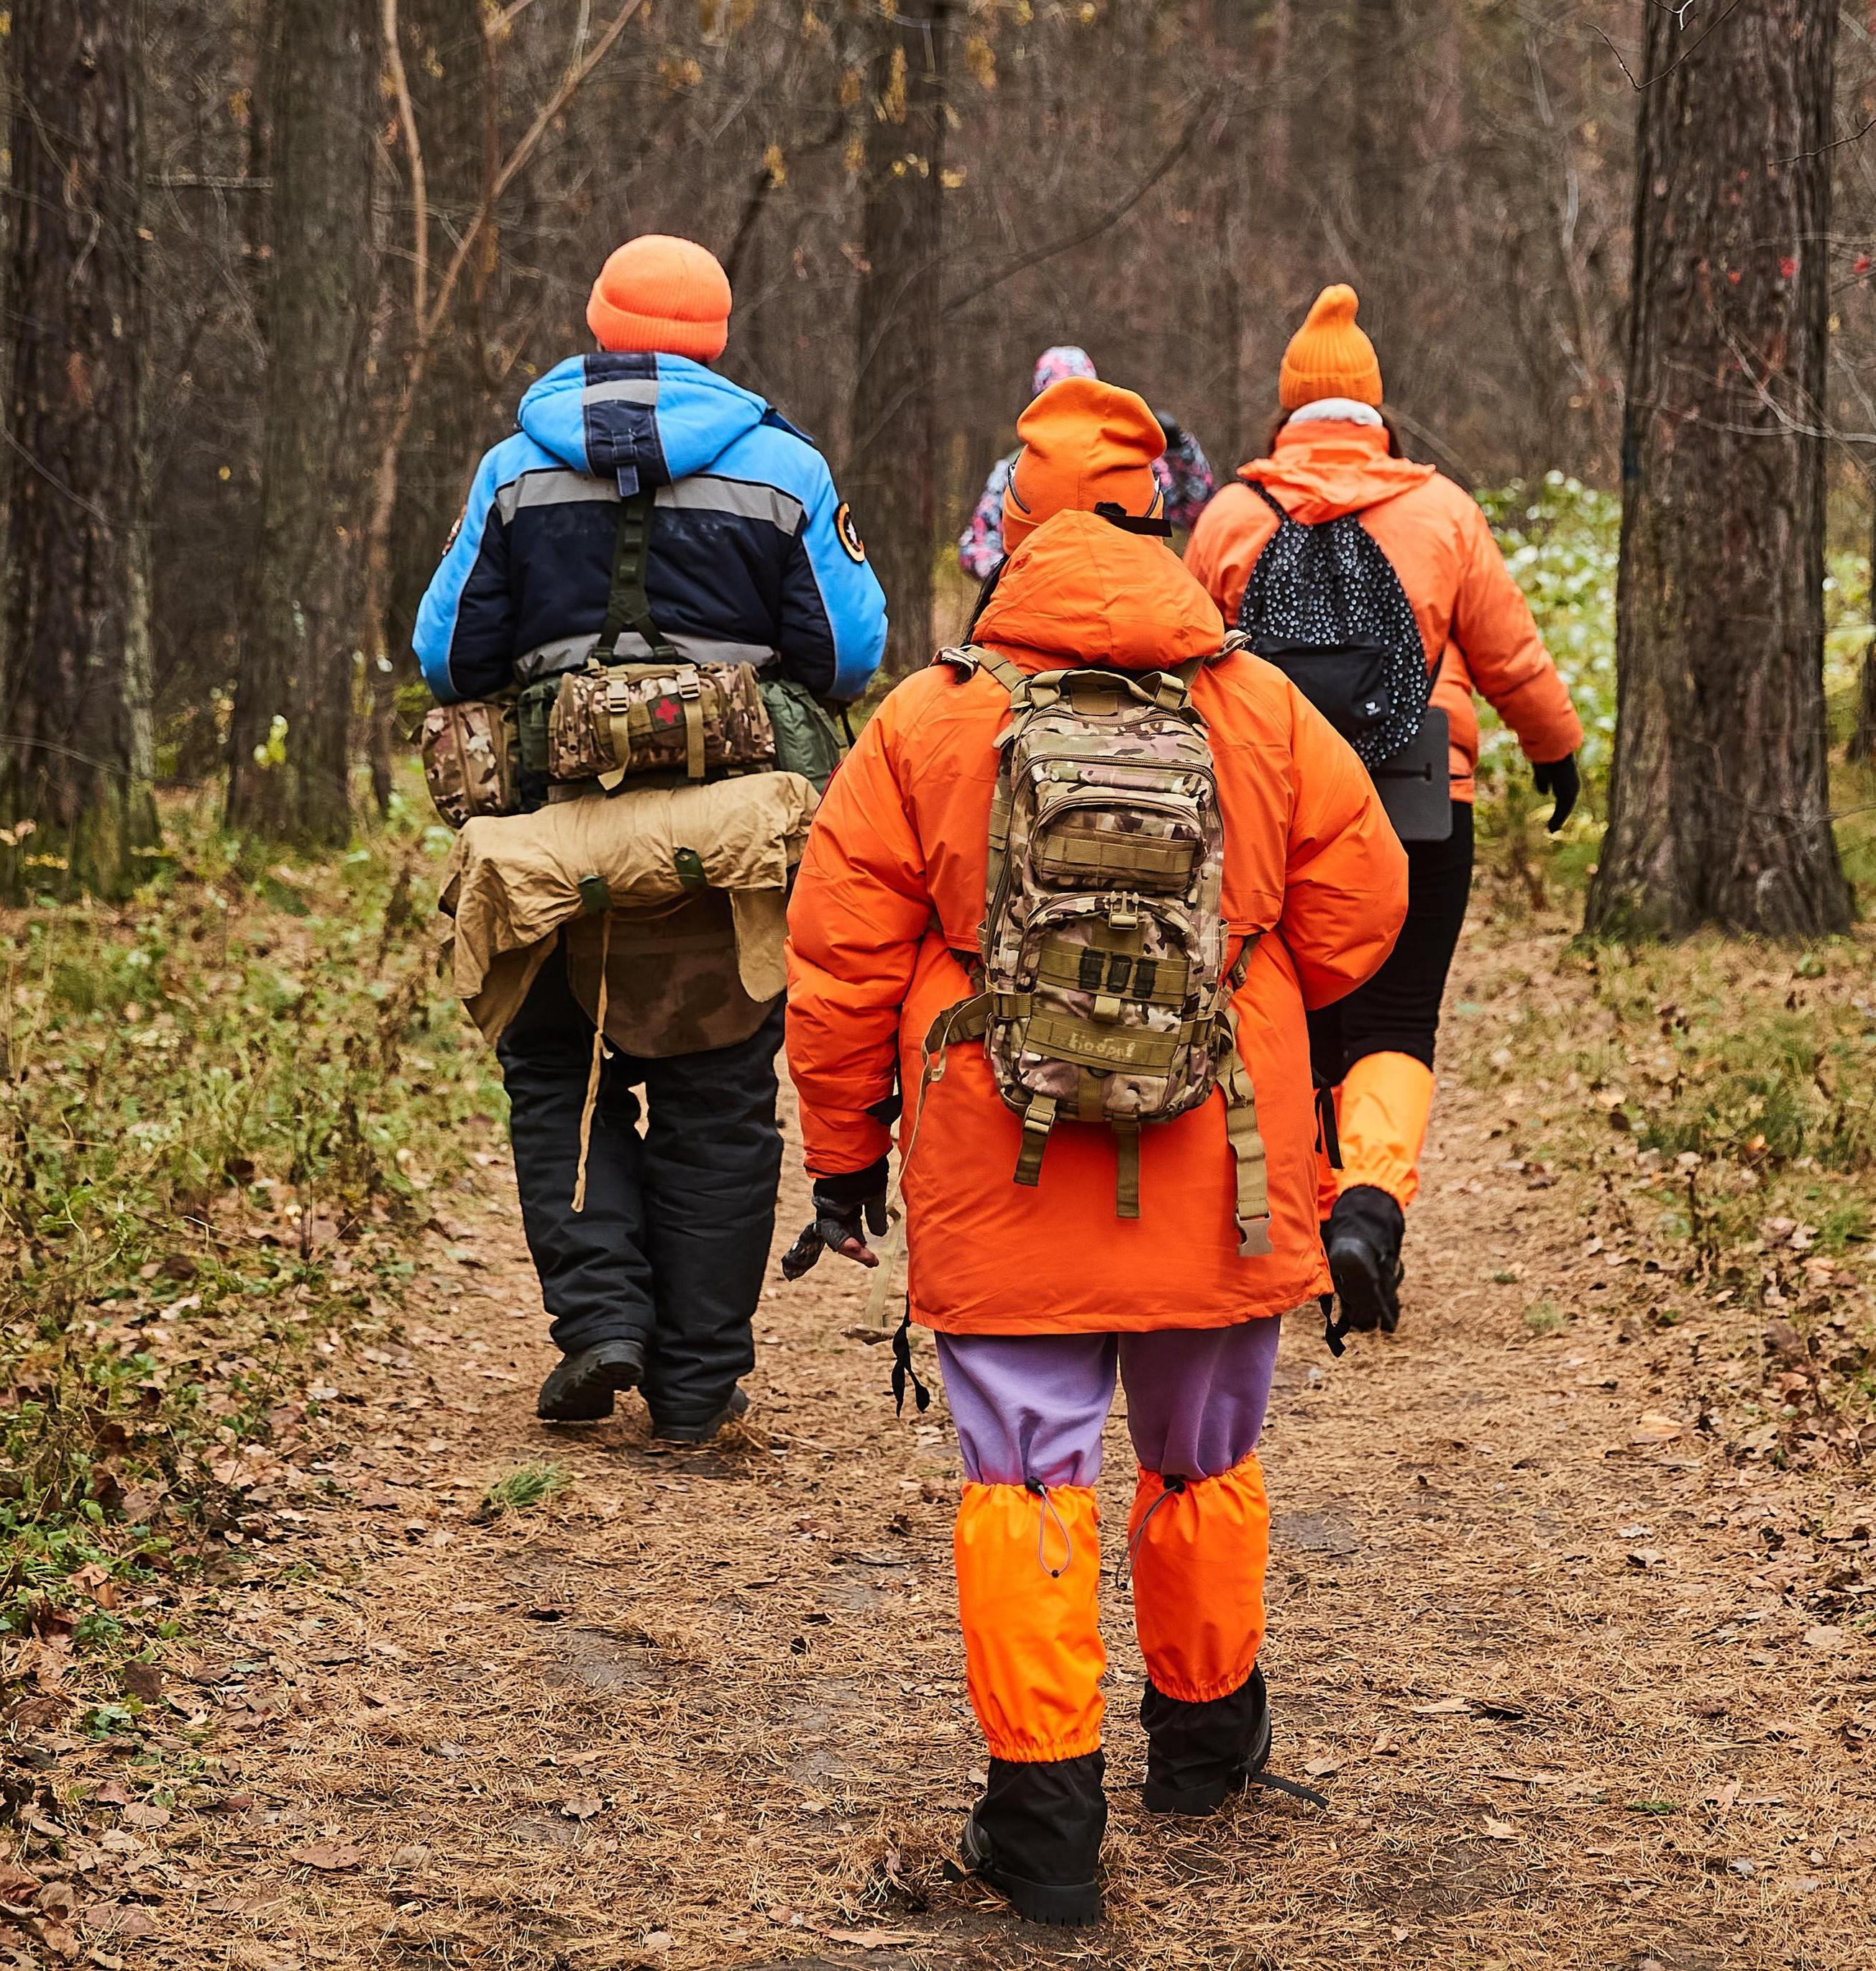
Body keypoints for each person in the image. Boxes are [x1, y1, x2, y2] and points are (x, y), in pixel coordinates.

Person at [784, 375, 1406, 1923]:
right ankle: (1202, 1744)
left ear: (1013, 532)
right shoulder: (1258, 705)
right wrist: (1238, 980)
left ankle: (1046, 1821)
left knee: (1026, 1476)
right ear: (1161, 521)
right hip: (1224, 1162)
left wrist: (847, 1152)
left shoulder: (930, 716)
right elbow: (1362, 911)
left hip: (1003, 1162)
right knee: (1204, 1458)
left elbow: (840, 960)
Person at [412, 234, 885, 1445]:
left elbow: (448, 656)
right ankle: (696, 1385)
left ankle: (601, 1322)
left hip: (549, 837)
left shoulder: (514, 467)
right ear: (716, 339)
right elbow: (847, 655)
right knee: (716, 1098)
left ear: (598, 325)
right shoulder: (784, 467)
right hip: (725, 848)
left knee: (556, 1076)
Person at [1184, 284, 1583, 1340]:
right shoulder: (1440, 511)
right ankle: (1370, 1210)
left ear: (1289, 410)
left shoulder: (1231, 517)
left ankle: (1318, 1229)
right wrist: (1556, 749)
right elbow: (1508, 653)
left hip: (1272, 808)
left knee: (1299, 1015)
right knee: (1400, 1018)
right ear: (1374, 407)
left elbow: (1185, 667)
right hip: (1420, 804)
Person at [955, 345, 1221, 582]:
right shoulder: (1014, 472)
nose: (1073, 416)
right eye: (1060, 404)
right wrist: (1020, 576)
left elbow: (1197, 513)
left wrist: (1181, 452)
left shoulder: (1131, 466)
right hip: (1038, 610)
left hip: (1125, 603)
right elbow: (974, 547)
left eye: (1081, 403)